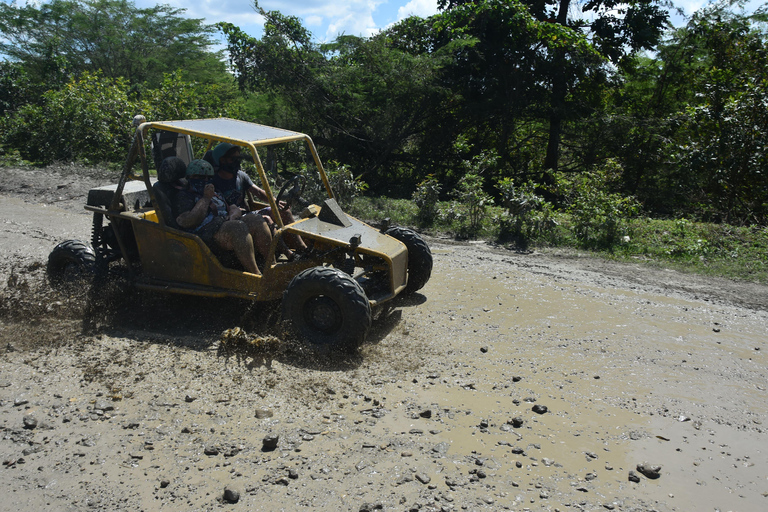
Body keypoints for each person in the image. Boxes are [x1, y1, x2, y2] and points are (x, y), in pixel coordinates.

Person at [210, 142, 308, 256]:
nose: (237, 162)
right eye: (233, 159)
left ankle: (302, 248)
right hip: (230, 220)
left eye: (238, 158)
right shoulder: (213, 181)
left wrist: (275, 202)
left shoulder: (240, 175)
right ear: (222, 160)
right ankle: (288, 254)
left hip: (247, 214)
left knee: (283, 211)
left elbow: (259, 193)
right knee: (265, 219)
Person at [174, 159, 264, 276]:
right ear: (191, 177)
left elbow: (233, 207)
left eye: (209, 178)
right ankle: (257, 276)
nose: (206, 181)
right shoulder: (184, 196)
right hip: (204, 234)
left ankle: (270, 267)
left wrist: (232, 216)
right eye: (201, 177)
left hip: (225, 223)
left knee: (255, 219)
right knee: (238, 227)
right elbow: (186, 221)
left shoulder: (215, 191)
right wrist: (206, 198)